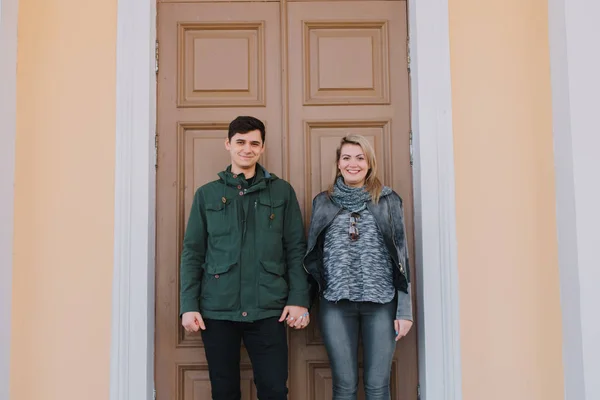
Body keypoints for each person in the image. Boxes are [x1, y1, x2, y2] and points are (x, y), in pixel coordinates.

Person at [179, 116, 311, 400]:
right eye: (240, 142)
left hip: (268, 310)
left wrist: (299, 298)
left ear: (262, 148)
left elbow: (296, 248)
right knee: (224, 391)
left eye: (254, 143)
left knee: (274, 390)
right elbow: (193, 253)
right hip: (217, 310)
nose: (247, 149)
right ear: (228, 144)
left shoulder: (282, 192)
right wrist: (188, 305)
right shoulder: (207, 195)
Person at [303, 134, 413, 400]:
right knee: (344, 385)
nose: (353, 164)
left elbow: (401, 256)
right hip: (335, 304)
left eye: (360, 158)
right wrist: (304, 304)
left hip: (381, 303)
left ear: (369, 163)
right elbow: (312, 257)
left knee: (377, 386)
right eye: (347, 158)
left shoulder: (388, 201)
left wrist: (405, 310)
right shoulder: (323, 202)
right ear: (339, 164)